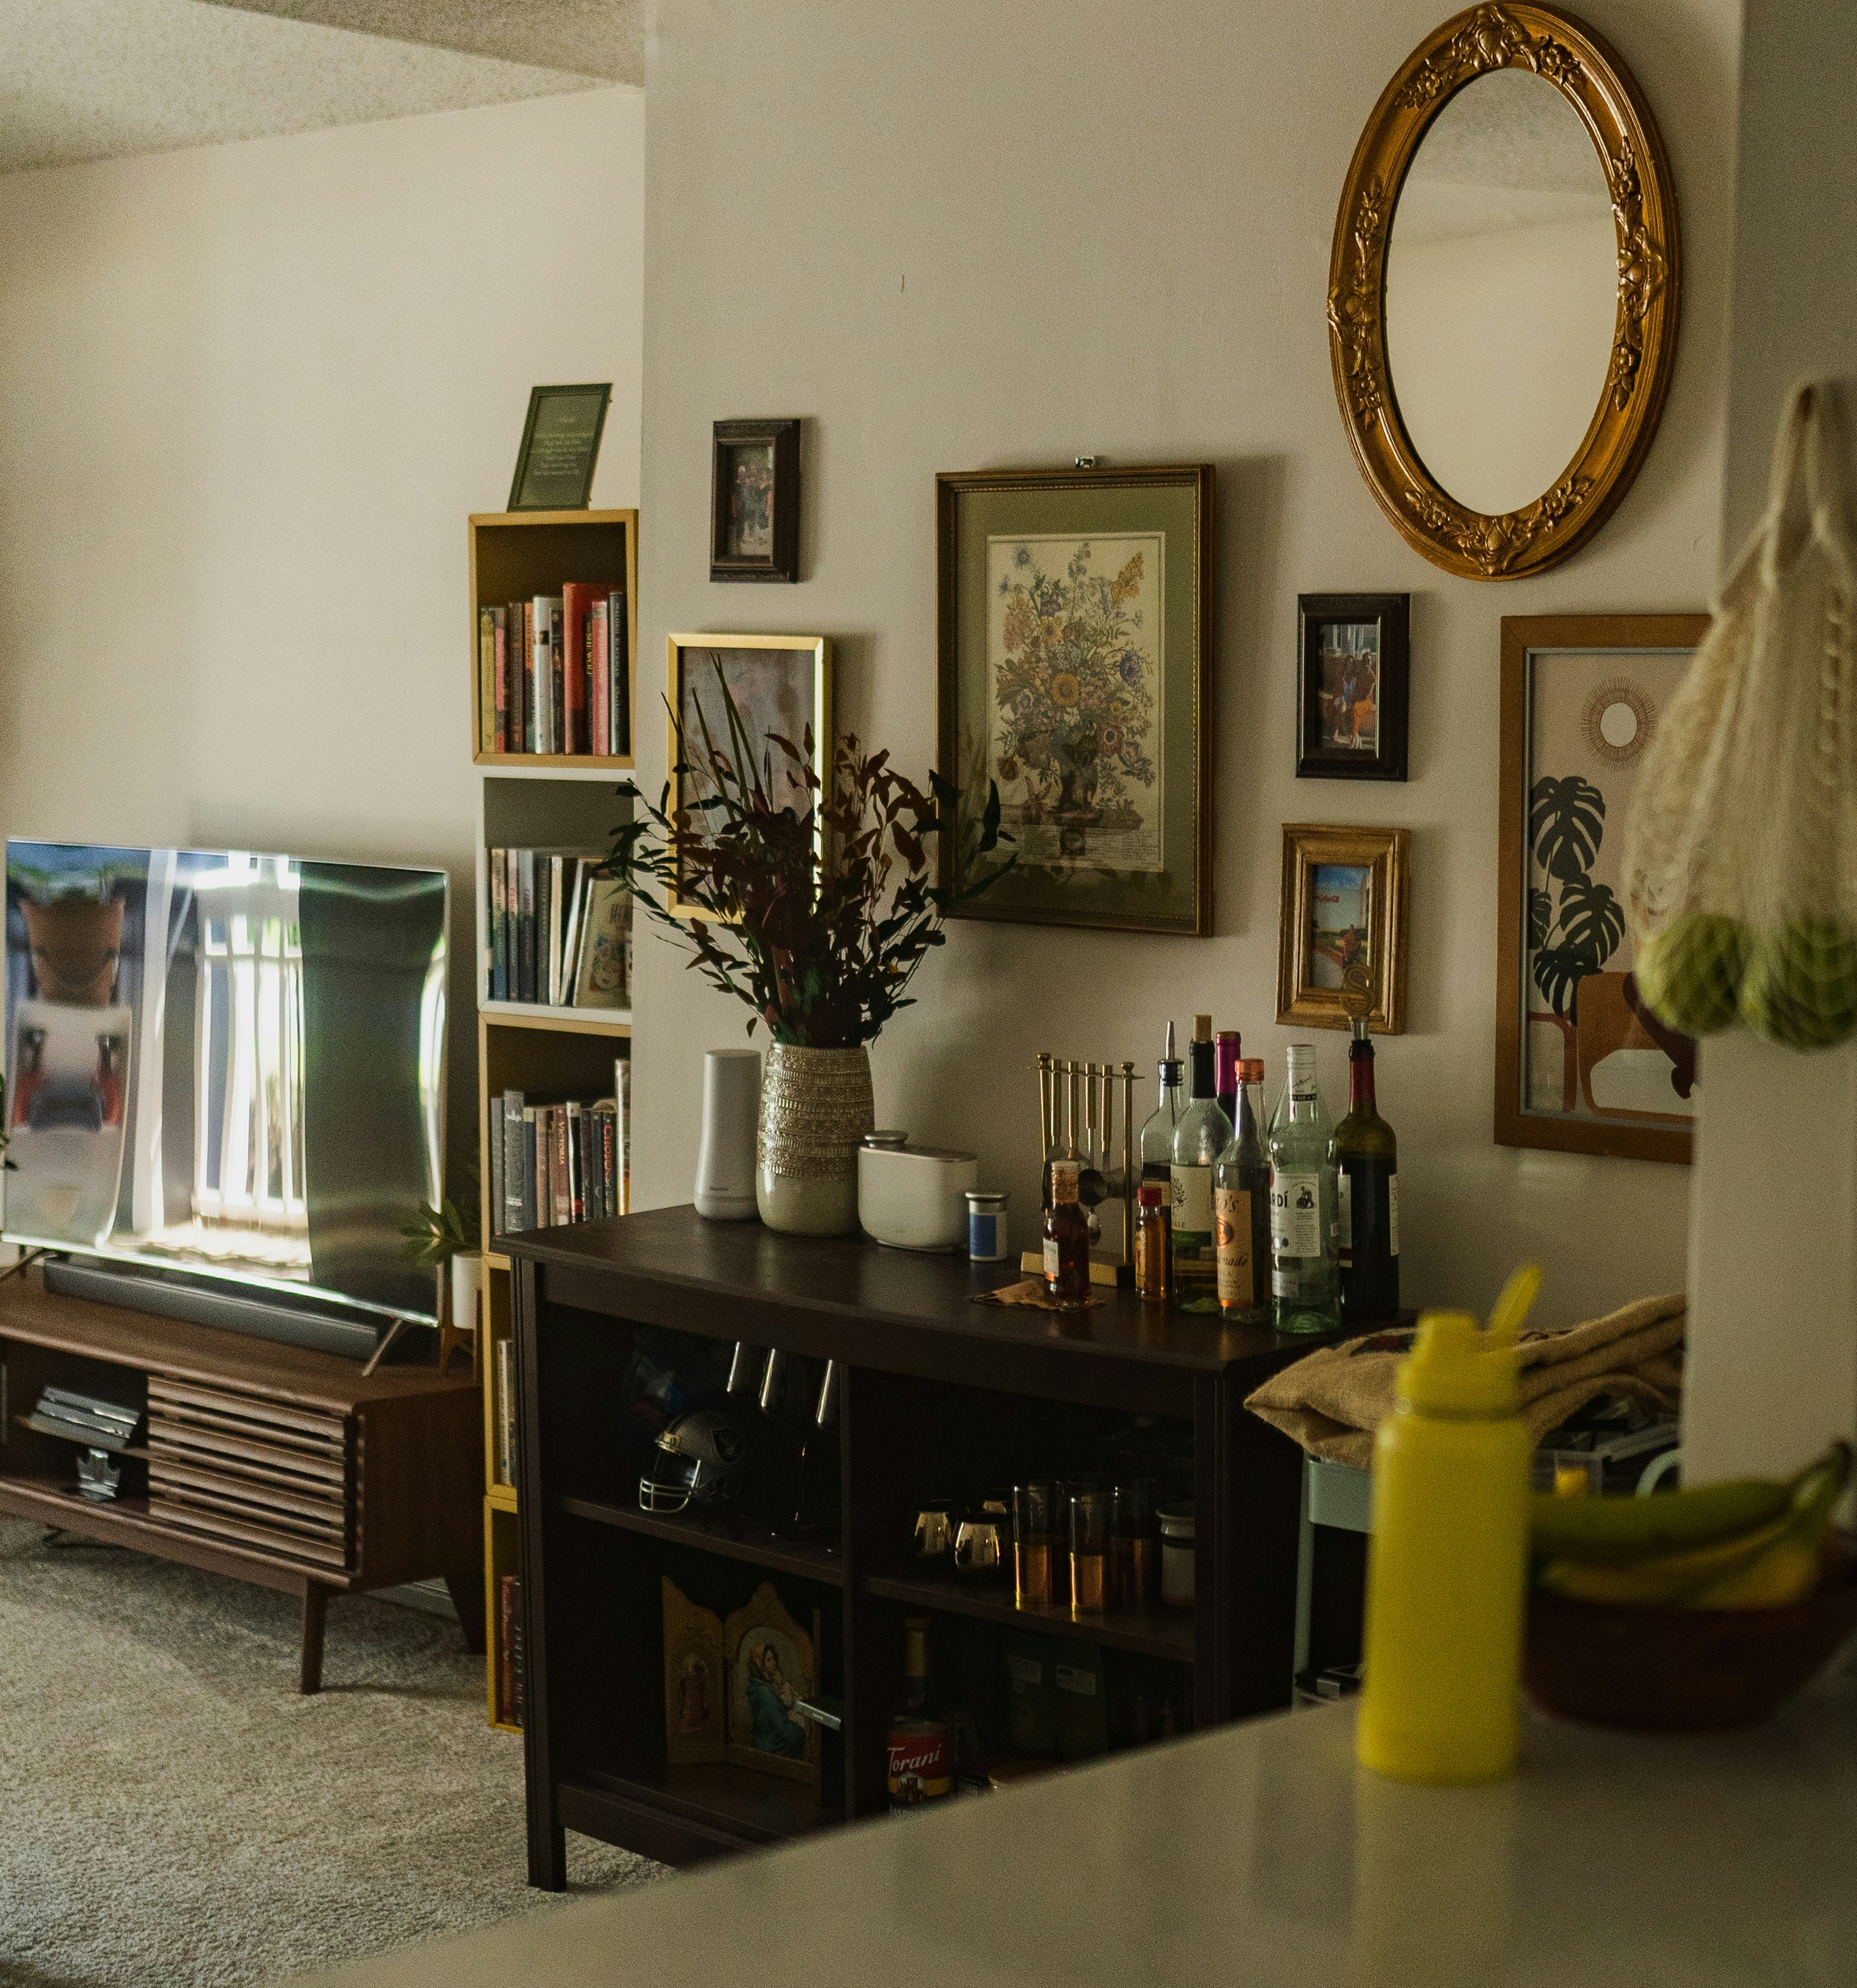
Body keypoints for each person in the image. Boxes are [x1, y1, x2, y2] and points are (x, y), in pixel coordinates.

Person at [744, 1639, 807, 1757]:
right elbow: (783, 1729)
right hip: (773, 1746)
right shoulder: (764, 1693)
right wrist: (804, 1732)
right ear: (760, 1665)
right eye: (769, 1660)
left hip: (770, 1740)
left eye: (773, 1658)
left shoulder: (768, 1685)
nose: (774, 1663)